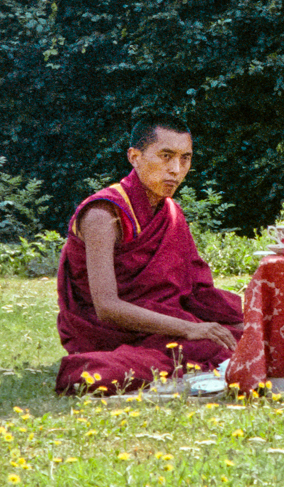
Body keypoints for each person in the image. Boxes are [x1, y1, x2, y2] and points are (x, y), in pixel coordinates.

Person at [55, 112, 243, 394]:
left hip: (165, 325)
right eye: (165, 156)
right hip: (110, 334)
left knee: (251, 335)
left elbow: (195, 291)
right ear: (135, 156)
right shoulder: (103, 214)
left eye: (185, 158)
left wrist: (247, 316)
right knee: (96, 375)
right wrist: (190, 329)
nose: (176, 170)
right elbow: (106, 307)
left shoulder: (171, 213)